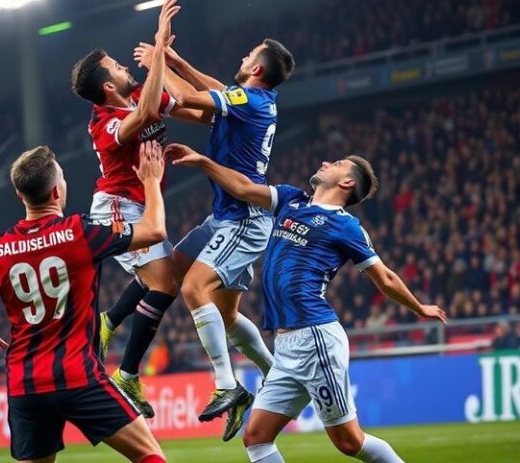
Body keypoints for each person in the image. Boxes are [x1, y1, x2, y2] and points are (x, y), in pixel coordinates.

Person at [166, 144, 447, 463]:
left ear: (347, 183)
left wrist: (419, 308)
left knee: (349, 442)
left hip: (315, 338)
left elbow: (386, 279)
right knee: (256, 437)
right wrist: (204, 162)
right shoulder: (291, 199)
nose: (326, 161)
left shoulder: (346, 226)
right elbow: (243, 188)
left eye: (338, 163)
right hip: (285, 344)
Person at [0, 142, 168, 463]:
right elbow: (154, 230)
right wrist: (150, 179)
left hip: (26, 385)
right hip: (79, 376)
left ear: (20, 196)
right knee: (149, 455)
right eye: (62, 178)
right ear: (55, 193)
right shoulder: (81, 232)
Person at [134, 37, 295, 439]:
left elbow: (191, 97)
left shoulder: (253, 102)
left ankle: (226, 385)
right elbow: (210, 91)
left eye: (249, 55)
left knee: (192, 288)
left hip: (243, 219)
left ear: (257, 70)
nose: (242, 56)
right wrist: (174, 59)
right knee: (188, 288)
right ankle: (275, 373)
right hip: (224, 217)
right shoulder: (253, 99)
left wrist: (158, 64)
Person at [70, 0, 211, 417]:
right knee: (167, 283)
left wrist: (168, 62)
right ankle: (127, 374)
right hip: (116, 208)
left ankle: (110, 322)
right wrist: (160, 46)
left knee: (171, 275)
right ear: (109, 86)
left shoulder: (136, 100)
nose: (125, 67)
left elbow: (200, 112)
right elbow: (149, 107)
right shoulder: (105, 122)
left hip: (142, 202)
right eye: (117, 66)